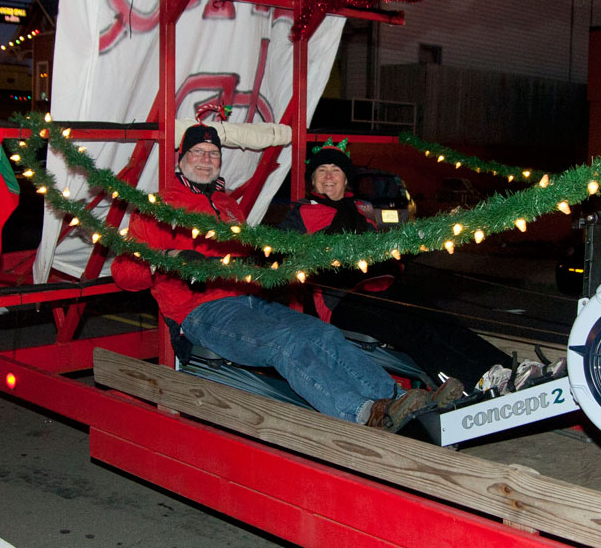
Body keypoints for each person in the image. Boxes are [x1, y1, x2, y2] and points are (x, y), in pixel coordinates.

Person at [112, 124, 444, 431]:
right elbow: (124, 274)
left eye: (213, 154)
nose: (206, 159)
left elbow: (246, 260)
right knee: (286, 344)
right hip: (200, 312)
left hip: (248, 300)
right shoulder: (159, 207)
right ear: (181, 159)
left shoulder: (228, 205)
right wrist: (165, 258)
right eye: (197, 152)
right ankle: (359, 413)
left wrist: (270, 268)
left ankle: (397, 399)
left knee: (322, 333)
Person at [280, 142, 512, 392]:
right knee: (411, 328)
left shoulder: (361, 208)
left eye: (335, 170)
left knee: (439, 317)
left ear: (345, 178)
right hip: (339, 301)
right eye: (321, 170)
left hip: (380, 287)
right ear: (312, 179)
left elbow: (384, 250)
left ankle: (508, 368)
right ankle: (476, 380)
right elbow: (288, 256)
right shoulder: (301, 213)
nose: (328, 176)